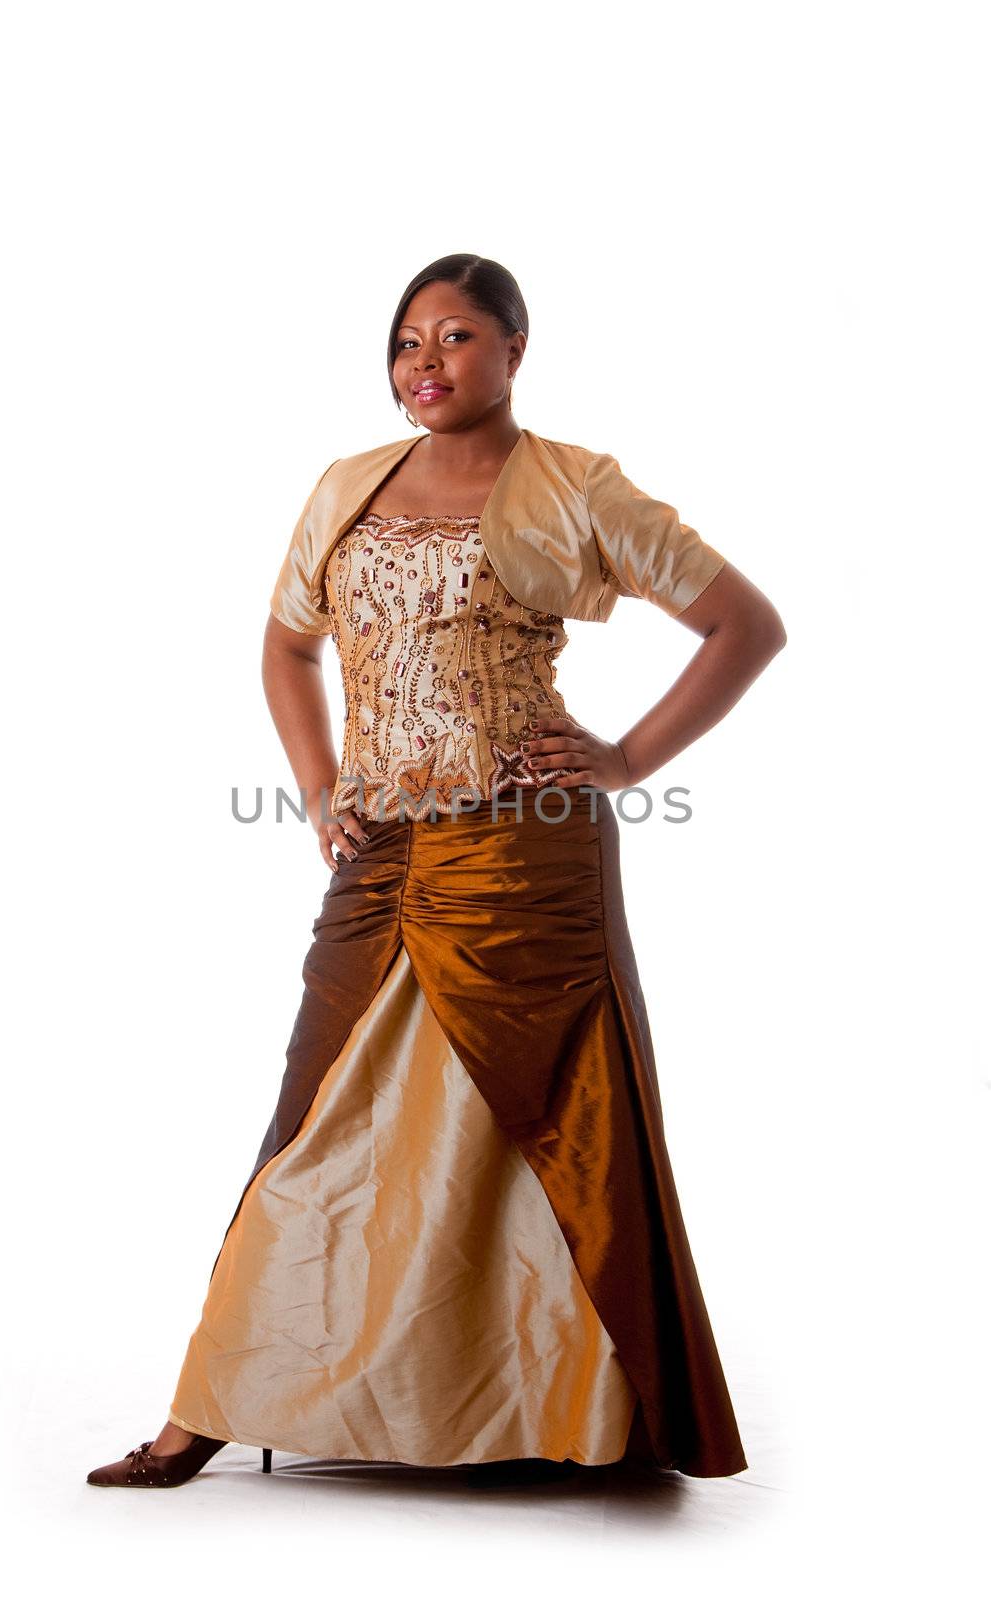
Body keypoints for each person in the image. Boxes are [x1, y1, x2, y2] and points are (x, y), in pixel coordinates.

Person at [86, 253, 786, 1490]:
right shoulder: (346, 487)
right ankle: (218, 1398)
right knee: (313, 1111)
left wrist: (621, 757)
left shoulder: (576, 486)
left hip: (524, 851)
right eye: (407, 340)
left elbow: (746, 625)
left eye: (456, 336)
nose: (425, 361)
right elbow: (285, 647)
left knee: (553, 1128)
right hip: (382, 848)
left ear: (515, 350)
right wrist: (318, 792)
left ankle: (571, 1412)